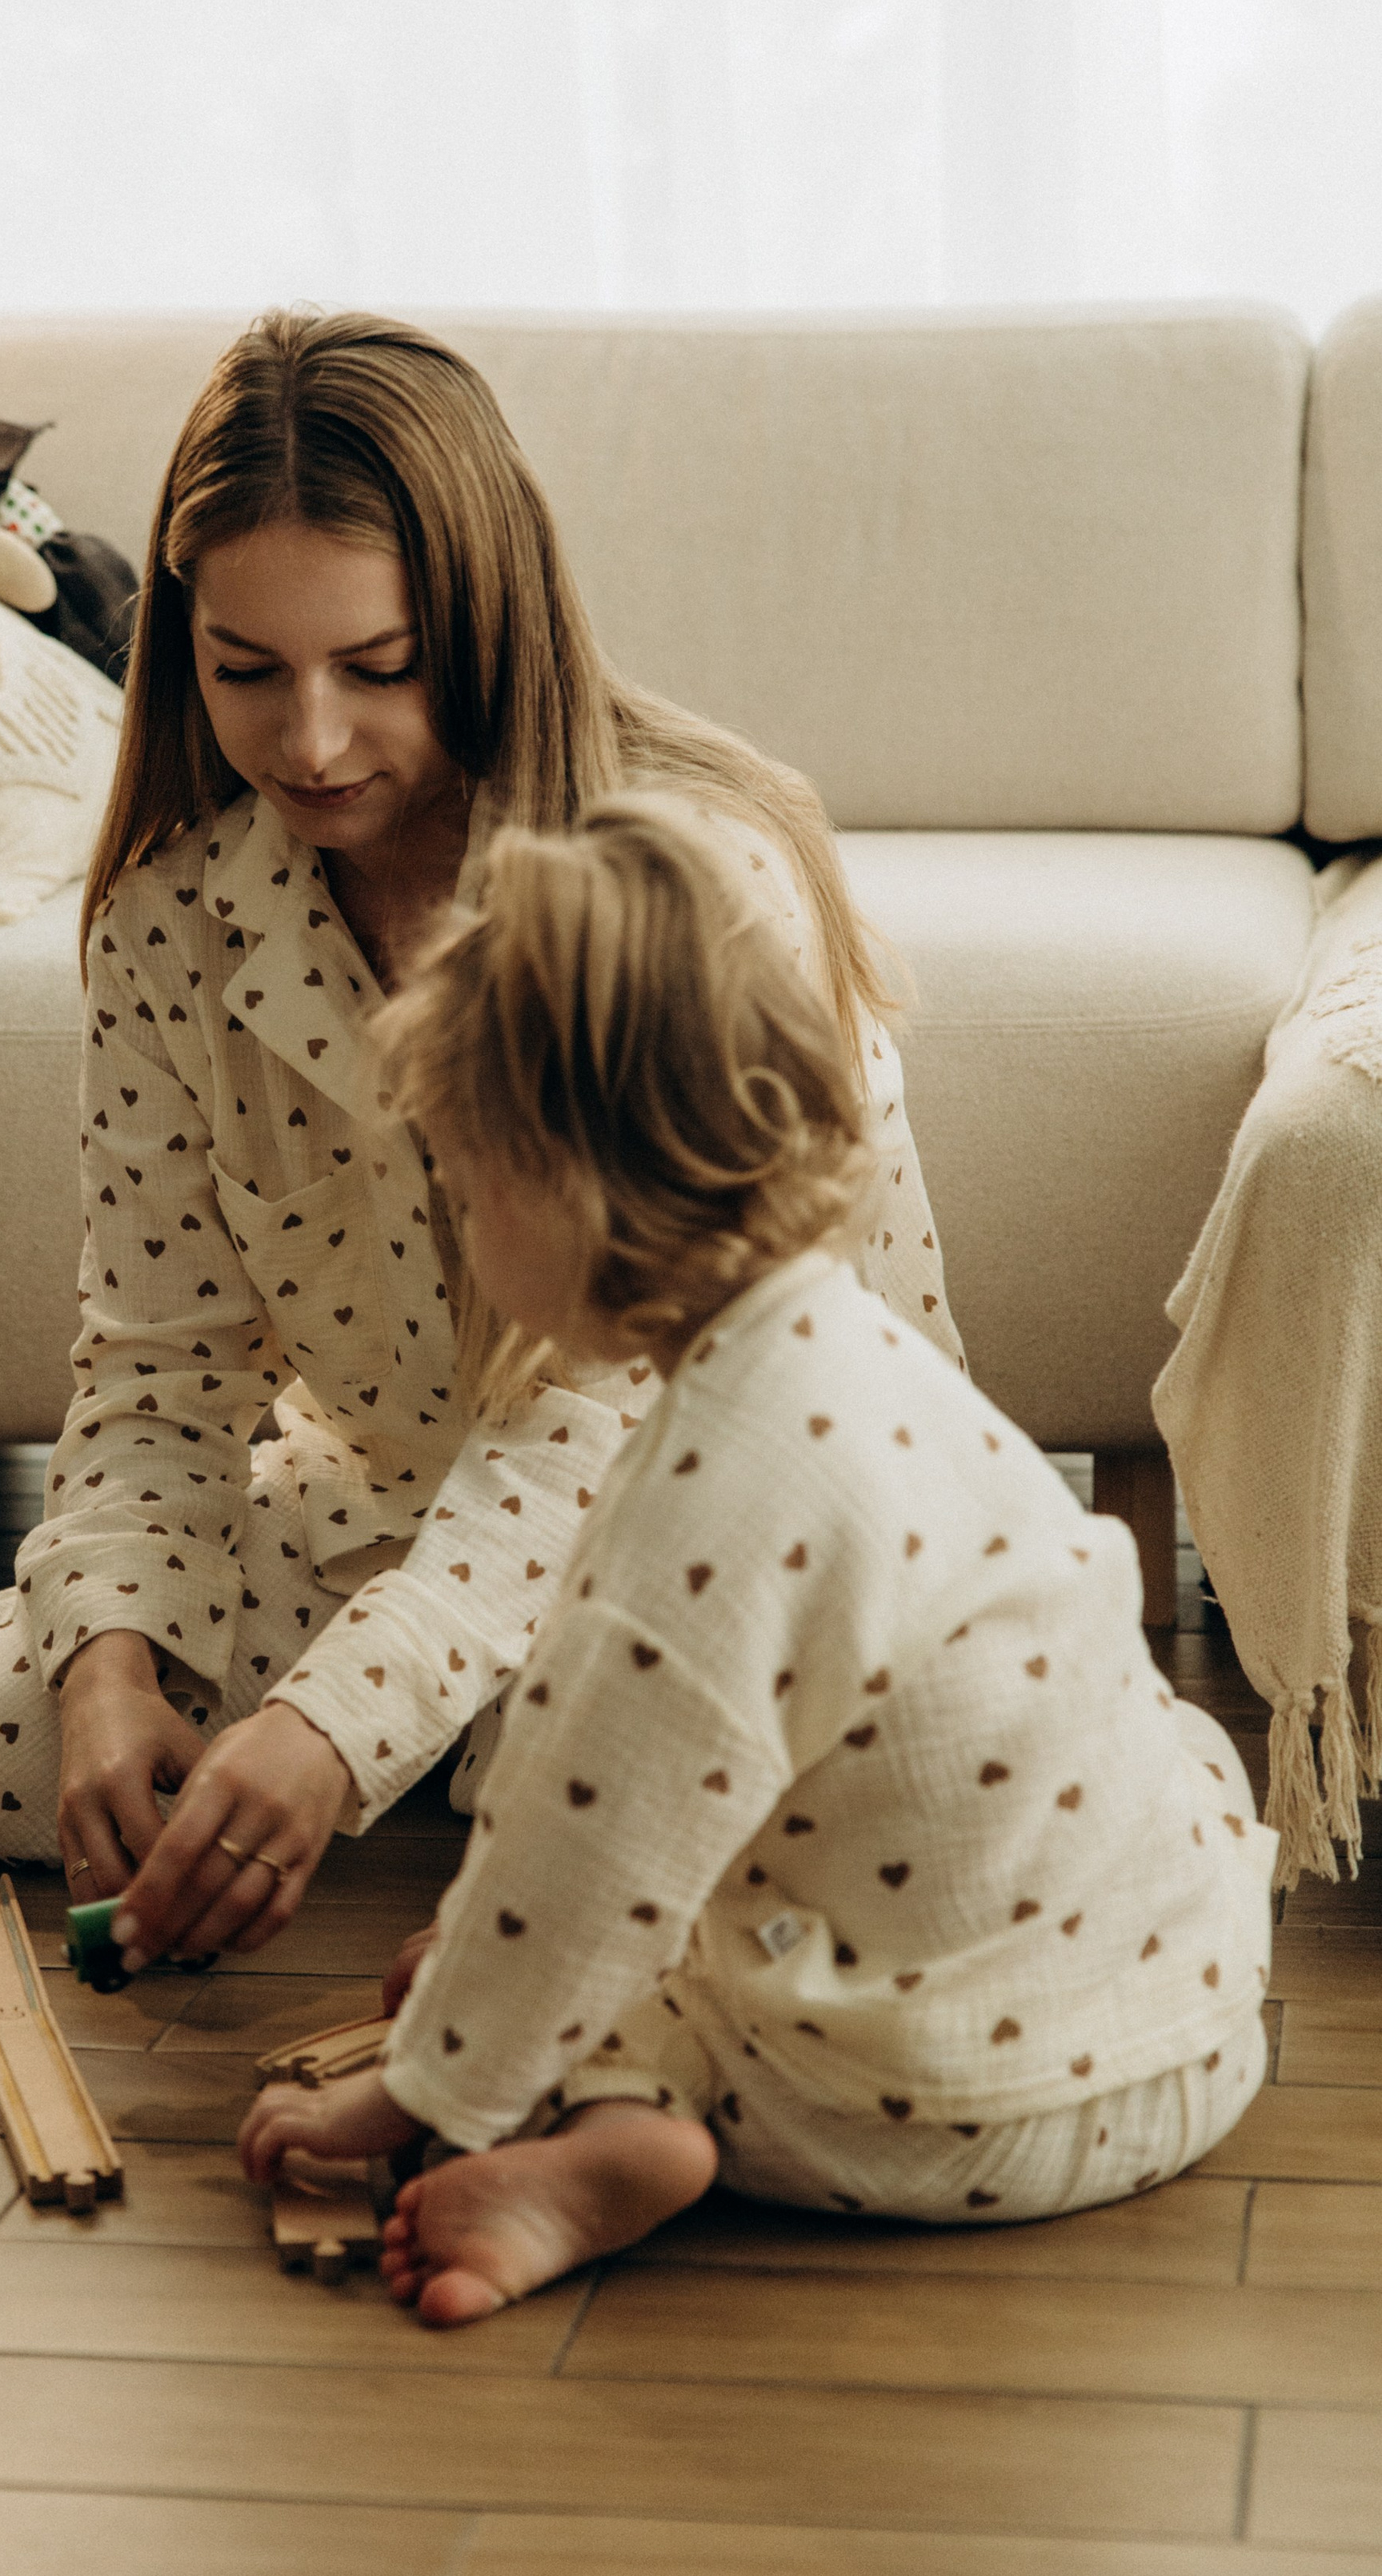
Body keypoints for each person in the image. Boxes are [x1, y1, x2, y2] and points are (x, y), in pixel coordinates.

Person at [0, 308, 960, 1951]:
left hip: (740, 1527)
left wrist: (328, 1726)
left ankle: (482, 1759)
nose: (308, 743)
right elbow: (161, 1364)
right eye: (246, 671)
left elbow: (609, 1415)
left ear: (483, 625)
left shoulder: (672, 882)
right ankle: (477, 1757)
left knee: (663, 1749)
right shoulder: (171, 919)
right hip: (401, 1509)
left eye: (376, 670)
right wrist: (113, 1668)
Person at [234, 797, 1277, 2324]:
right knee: (1154, 1752)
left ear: (558, 1188)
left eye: (463, 1189)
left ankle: (605, 2147)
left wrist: (418, 2087)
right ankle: (574, 2043)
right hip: (1189, 2020)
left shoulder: (705, 1500)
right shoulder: (842, 1339)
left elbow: (587, 1843)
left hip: (979, 2118)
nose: (461, 1236)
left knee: (578, 1931)